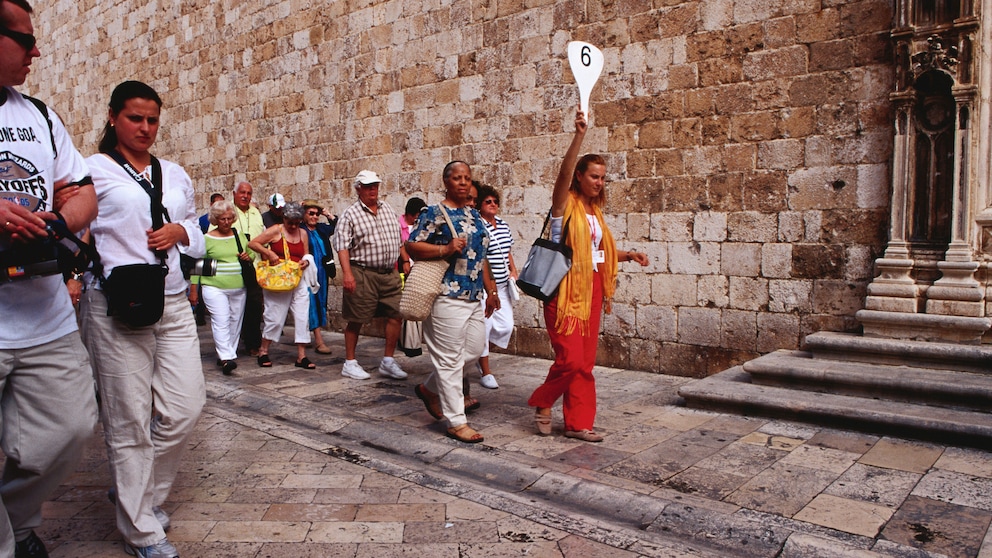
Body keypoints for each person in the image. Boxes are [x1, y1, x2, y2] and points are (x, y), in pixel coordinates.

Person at [79, 80, 206, 558]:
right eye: (136, 118)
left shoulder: (174, 174)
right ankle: (141, 531)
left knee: (185, 407)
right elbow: (79, 226)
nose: (146, 128)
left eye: (153, 119)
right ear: (113, 117)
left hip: (171, 301)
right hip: (116, 306)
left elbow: (194, 229)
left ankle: (143, 496)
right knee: (129, 419)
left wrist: (179, 231)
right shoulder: (91, 170)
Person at [0, 2, 99, 555]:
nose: (37, 51)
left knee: (69, 429)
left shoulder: (39, 115)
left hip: (43, 312)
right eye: (24, 39)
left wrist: (60, 219)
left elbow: (82, 190)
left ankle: (12, 519)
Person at [528, 110, 648, 443]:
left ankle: (579, 423)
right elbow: (562, 176)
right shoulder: (564, 206)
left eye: (603, 178)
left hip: (593, 287)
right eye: (594, 176)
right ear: (579, 176)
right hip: (564, 290)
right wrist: (578, 135)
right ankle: (543, 400)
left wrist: (626, 255)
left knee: (585, 362)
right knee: (569, 358)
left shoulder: (596, 213)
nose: (599, 182)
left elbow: (595, 254)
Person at [406, 161, 499, 444]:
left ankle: (430, 389)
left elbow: (479, 256)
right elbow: (412, 245)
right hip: (446, 294)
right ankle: (457, 421)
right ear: (446, 181)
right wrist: (444, 249)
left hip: (472, 295)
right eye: (457, 178)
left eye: (467, 178)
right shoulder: (434, 213)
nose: (463, 182)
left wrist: (490, 289)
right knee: (448, 359)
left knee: (471, 351)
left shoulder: (474, 215)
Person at [332, 170, 409, 381]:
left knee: (395, 314)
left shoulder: (387, 209)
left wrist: (404, 261)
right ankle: (349, 362)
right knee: (357, 318)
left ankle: (388, 361)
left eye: (375, 185)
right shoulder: (351, 214)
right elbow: (342, 246)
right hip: (362, 271)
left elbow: (398, 238)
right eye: (367, 186)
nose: (372, 189)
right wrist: (347, 274)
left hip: (389, 272)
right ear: (358, 189)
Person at [248, 202, 316, 369]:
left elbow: (306, 253)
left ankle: (302, 356)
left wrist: (305, 262)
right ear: (283, 219)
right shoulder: (276, 230)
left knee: (302, 316)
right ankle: (263, 350)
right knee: (275, 317)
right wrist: (269, 252)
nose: (293, 226)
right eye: (290, 222)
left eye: (296, 222)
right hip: (278, 281)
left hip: (297, 279)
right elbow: (253, 243)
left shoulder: (303, 234)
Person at [189, 200, 249, 375]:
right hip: (214, 286)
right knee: (220, 320)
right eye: (223, 219)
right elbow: (199, 265)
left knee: (235, 321)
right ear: (215, 219)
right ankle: (226, 358)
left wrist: (248, 256)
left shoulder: (240, 236)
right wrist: (194, 289)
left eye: (230, 218)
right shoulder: (207, 239)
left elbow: (251, 255)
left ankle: (228, 352)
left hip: (239, 285)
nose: (227, 222)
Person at [476, 183, 518, 389]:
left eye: (495, 202)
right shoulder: (478, 225)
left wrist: (513, 269)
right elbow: (481, 257)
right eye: (488, 202)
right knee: (485, 327)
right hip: (486, 286)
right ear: (480, 205)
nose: (493, 204)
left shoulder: (502, 223)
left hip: (503, 286)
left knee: (506, 327)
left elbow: (507, 249)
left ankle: (477, 354)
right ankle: (485, 371)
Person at [230, 181, 264, 356]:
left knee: (254, 307)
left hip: (255, 266)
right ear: (234, 193)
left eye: (249, 193)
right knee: (234, 308)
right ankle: (230, 344)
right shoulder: (227, 212)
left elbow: (263, 236)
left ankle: (253, 343)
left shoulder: (256, 213)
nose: (245, 196)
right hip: (234, 267)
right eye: (242, 192)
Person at [302, 199, 337, 354]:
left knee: (320, 301)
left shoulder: (322, 229)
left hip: (322, 271)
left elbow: (337, 225)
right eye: (311, 213)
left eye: (317, 214)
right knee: (311, 302)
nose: (314, 217)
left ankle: (305, 335)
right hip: (306, 272)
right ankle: (319, 340)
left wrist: (326, 212)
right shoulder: (300, 229)